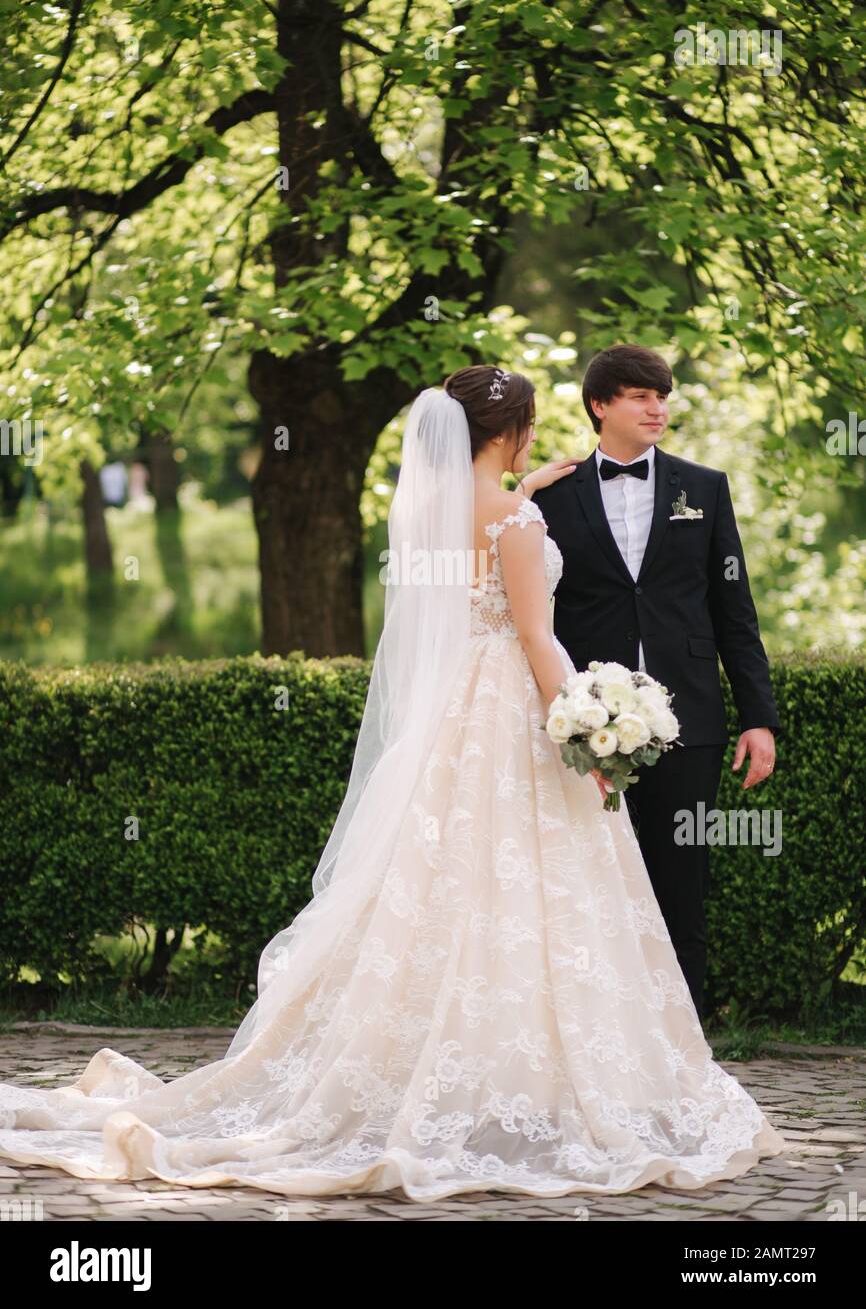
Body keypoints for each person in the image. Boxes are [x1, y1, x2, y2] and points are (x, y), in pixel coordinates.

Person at [0, 369, 786, 1201]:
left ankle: (436, 1067)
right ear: (511, 430)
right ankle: (539, 1077)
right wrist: (589, 731)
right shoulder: (516, 517)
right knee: (541, 895)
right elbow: (536, 639)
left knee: (445, 890)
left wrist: (532, 484)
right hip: (514, 710)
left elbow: (485, 560)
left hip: (455, 718)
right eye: (526, 427)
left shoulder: (434, 510)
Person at [531, 345, 780, 1022]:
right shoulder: (553, 495)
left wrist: (758, 717)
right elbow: (530, 610)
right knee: (586, 890)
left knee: (681, 886)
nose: (658, 408)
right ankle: (599, 1041)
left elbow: (736, 612)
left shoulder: (703, 488)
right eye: (641, 395)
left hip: (689, 725)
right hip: (582, 729)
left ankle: (683, 1049)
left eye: (663, 395)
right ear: (600, 405)